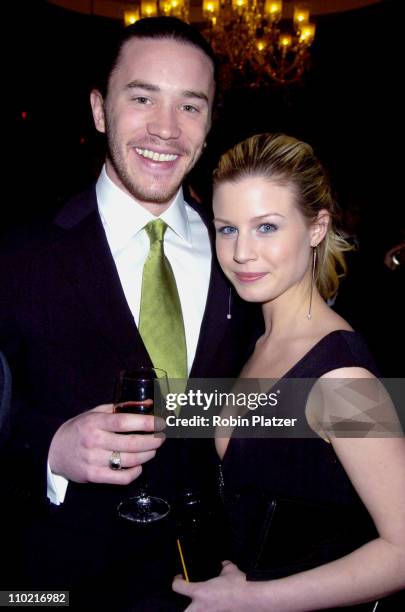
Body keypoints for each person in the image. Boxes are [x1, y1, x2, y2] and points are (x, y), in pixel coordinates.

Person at [0, 17, 260, 611]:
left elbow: (309, 403)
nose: (166, 130)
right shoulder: (19, 256)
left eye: (190, 107)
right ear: (100, 109)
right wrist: (49, 449)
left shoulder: (245, 257)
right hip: (50, 587)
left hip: (209, 585)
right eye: (142, 97)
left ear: (210, 121)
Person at [173, 133, 405, 610]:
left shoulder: (342, 380)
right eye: (227, 228)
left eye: (267, 227)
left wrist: (255, 599)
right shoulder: (254, 337)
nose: (241, 253)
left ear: (316, 228)